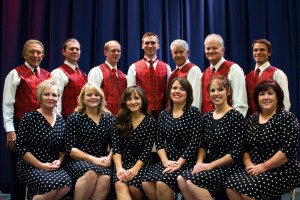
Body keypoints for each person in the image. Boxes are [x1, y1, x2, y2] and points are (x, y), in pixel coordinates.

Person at [225, 79, 300, 200]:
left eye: (270, 93)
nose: (266, 97)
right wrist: (249, 164)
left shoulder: (287, 118)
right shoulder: (252, 119)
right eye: (262, 94)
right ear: (257, 98)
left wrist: (263, 167)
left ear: (278, 97)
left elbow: (287, 151)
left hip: (282, 170)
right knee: (230, 185)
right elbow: (244, 147)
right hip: (255, 168)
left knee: (247, 190)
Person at [177, 75, 245, 200]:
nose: (216, 93)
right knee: (181, 179)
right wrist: (199, 163)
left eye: (220, 89)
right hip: (210, 164)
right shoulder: (207, 117)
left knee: (192, 182)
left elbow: (236, 153)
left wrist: (210, 166)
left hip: (229, 167)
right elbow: (203, 146)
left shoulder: (236, 116)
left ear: (228, 92)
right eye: (212, 90)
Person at [2, 39, 50, 200]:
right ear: (24, 54)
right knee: (18, 167)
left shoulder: (47, 75)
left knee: (39, 167)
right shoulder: (15, 74)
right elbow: (8, 104)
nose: (35, 55)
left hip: (42, 128)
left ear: (43, 55)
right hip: (20, 127)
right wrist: (10, 130)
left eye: (38, 52)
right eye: (31, 52)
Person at [142, 77, 203, 200]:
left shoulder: (194, 113)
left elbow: (194, 143)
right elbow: (159, 142)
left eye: (182, 89)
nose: (177, 91)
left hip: (186, 161)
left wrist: (179, 163)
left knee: (162, 183)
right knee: (146, 183)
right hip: (167, 160)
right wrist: (165, 162)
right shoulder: (164, 114)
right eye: (174, 88)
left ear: (188, 93)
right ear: (170, 91)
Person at [15, 79, 72, 199]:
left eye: (54, 95)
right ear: (40, 97)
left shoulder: (61, 121)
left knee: (67, 184)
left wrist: (60, 161)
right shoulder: (29, 118)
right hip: (30, 166)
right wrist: (40, 165)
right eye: (46, 94)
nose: (50, 98)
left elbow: (64, 148)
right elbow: (20, 148)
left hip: (52, 166)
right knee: (50, 187)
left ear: (58, 99)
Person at [63, 83, 113, 200]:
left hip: (102, 160)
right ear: (83, 99)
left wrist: (109, 158)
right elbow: (71, 150)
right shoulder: (74, 118)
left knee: (105, 178)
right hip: (78, 161)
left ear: (101, 98)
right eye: (89, 95)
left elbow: (115, 144)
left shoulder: (109, 117)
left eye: (96, 95)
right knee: (91, 173)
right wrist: (95, 160)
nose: (93, 97)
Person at [112, 86, 157, 200]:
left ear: (142, 100)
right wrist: (120, 169)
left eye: (136, 98)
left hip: (142, 164)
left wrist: (134, 169)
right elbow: (115, 147)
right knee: (119, 183)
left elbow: (147, 150)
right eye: (129, 99)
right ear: (124, 102)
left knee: (133, 188)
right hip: (122, 163)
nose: (133, 102)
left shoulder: (150, 122)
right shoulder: (118, 120)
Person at [127, 32, 171, 119]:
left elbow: (168, 93)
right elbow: (130, 94)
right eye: (147, 43)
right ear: (142, 45)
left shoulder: (166, 67)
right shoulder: (133, 67)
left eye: (153, 43)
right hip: (140, 115)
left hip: (162, 116)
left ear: (158, 46)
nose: (150, 46)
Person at [202, 33, 248, 117]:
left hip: (229, 124)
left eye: (214, 48)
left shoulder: (234, 69)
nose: (211, 51)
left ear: (222, 50)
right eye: (208, 48)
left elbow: (240, 103)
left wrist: (236, 124)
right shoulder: (204, 73)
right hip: (209, 124)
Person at [245, 39, 291, 116]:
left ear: (269, 53)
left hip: (273, 121)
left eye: (262, 50)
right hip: (252, 122)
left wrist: (280, 120)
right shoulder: (247, 77)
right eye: (255, 50)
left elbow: (285, 102)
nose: (258, 53)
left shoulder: (277, 73)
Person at [51, 38, 87, 119]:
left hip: (83, 121)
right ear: (64, 52)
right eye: (71, 49)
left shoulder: (84, 74)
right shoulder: (58, 73)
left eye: (77, 49)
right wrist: (57, 122)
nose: (75, 51)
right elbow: (55, 100)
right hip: (66, 121)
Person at [88, 40, 127, 116]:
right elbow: (91, 97)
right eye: (113, 51)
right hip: (102, 117)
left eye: (118, 51)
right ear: (105, 53)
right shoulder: (97, 71)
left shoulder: (124, 76)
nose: (116, 53)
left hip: (121, 119)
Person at [169, 39, 202, 109]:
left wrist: (193, 115)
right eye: (175, 52)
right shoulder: (172, 73)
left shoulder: (194, 70)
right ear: (172, 54)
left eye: (181, 52)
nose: (178, 55)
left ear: (187, 52)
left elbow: (196, 97)